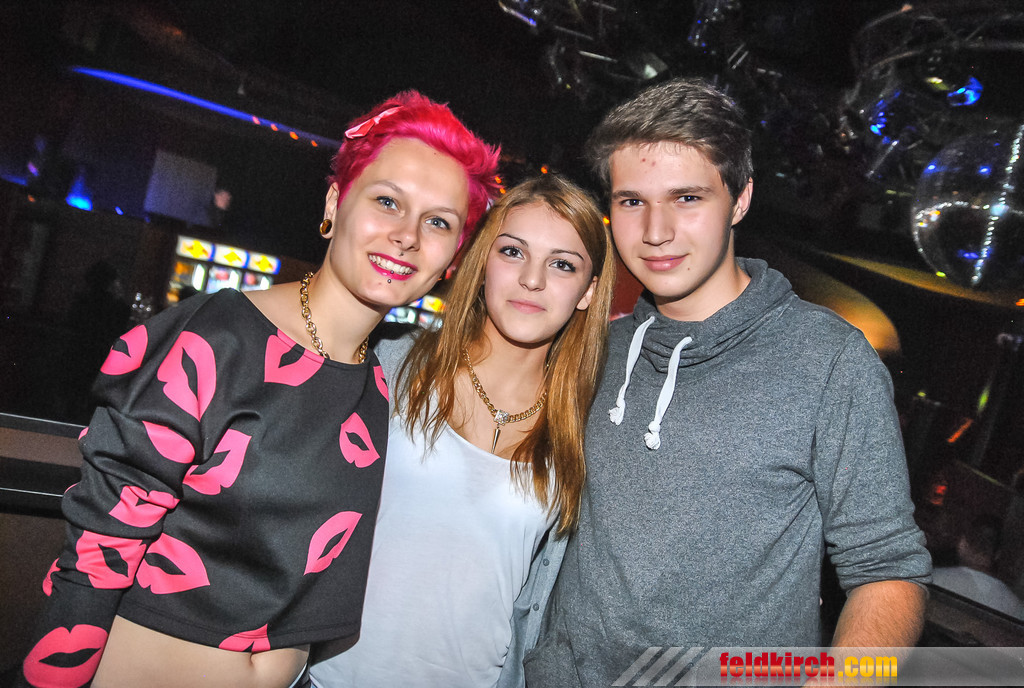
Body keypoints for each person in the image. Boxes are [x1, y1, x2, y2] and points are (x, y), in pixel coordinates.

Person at [20, 90, 499, 688]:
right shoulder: (219, 336)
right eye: (387, 201)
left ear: (453, 256)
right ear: (335, 203)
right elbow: (98, 548)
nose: (407, 235)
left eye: (438, 222)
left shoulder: (382, 381)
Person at [521, 78, 933, 687]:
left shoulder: (829, 362)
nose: (655, 231)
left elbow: (888, 572)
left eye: (687, 198)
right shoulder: (598, 348)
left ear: (740, 200)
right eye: (631, 202)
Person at [309, 174, 615, 688]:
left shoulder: (580, 428)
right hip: (326, 677)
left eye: (562, 264)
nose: (532, 279)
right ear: (483, 263)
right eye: (513, 252)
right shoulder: (393, 362)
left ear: (587, 292)